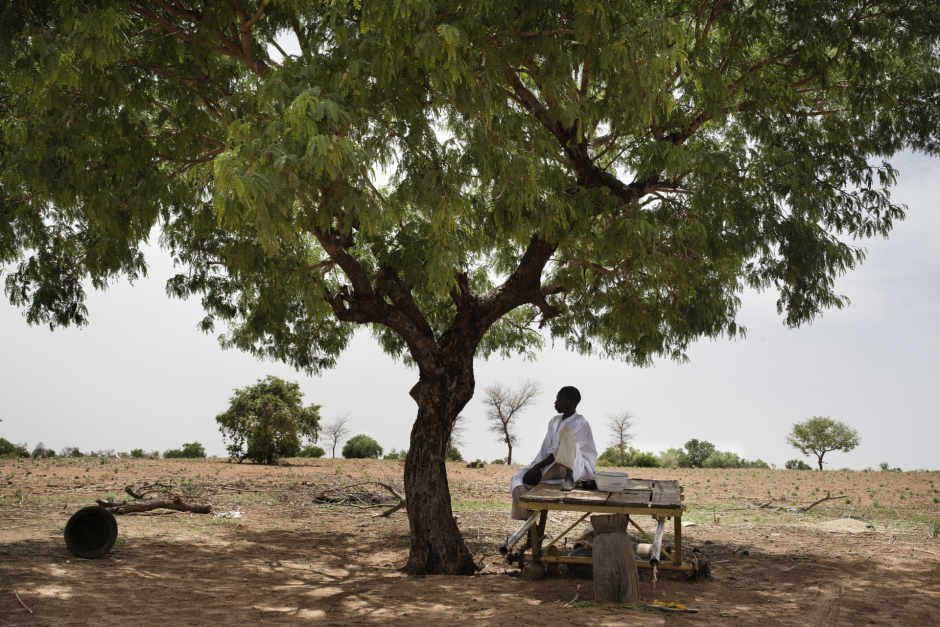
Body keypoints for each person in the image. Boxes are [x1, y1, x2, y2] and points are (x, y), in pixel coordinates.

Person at [509, 386, 598, 520]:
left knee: (567, 434)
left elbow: (562, 449)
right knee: (519, 476)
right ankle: (526, 517)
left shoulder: (581, 423)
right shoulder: (554, 421)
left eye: (559, 400)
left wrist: (538, 468)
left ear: (571, 402)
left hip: (574, 467)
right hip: (553, 466)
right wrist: (536, 467)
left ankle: (569, 478)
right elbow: (547, 447)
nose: (555, 403)